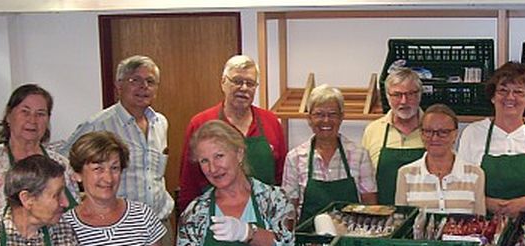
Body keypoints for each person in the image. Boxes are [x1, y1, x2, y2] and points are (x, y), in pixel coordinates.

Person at [62, 55, 175, 246]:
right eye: (135, 80)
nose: (144, 87)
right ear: (119, 85)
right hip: (118, 227)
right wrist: (80, 201)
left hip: (159, 223)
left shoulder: (160, 123)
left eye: (150, 82)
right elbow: (65, 162)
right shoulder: (99, 124)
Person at [177, 120, 294, 246]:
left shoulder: (274, 199)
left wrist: (247, 233)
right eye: (204, 161)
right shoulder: (195, 213)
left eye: (219, 156)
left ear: (239, 154)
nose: (213, 168)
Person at [0, 84, 79, 243]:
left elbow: (75, 220)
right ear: (9, 116)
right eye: (25, 112)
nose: (32, 120)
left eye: (40, 114)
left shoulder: (62, 165)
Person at [63, 131, 169, 246]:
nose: (108, 178)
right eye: (98, 169)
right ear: (77, 174)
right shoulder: (66, 226)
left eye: (114, 168)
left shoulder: (143, 215)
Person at [178, 55, 287, 213]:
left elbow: (280, 176)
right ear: (223, 82)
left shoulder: (270, 122)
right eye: (237, 81)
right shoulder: (200, 123)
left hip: (265, 213)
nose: (243, 88)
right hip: (214, 215)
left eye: (250, 83)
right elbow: (189, 182)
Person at [457, 62, 525, 217]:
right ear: (493, 97)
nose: (510, 97)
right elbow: (461, 186)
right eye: (503, 90)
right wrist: (488, 203)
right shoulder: (473, 132)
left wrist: (524, 203)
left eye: (518, 92)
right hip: (485, 224)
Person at [282, 84, 376, 222]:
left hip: (349, 239)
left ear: (341, 117)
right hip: (309, 240)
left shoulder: (360, 155)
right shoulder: (294, 158)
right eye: (319, 114)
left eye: (332, 114)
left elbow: (370, 206)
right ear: (309, 118)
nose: (326, 120)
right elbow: (289, 210)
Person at [395, 104, 485, 214]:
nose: (435, 138)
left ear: (455, 134)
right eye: (428, 131)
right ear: (421, 134)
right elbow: (401, 221)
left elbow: (480, 223)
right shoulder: (406, 174)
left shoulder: (475, 174)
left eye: (443, 132)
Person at [361, 68, 425, 205]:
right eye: (397, 95)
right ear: (387, 96)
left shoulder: (433, 129)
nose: (404, 101)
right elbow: (366, 181)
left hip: (424, 215)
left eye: (410, 94)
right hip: (384, 217)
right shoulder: (373, 130)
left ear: (419, 95)